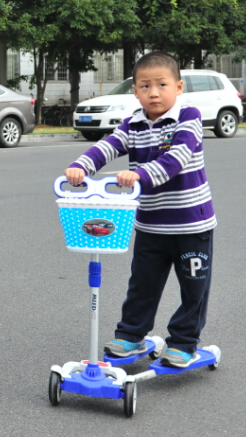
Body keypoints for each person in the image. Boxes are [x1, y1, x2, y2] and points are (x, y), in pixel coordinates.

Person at [65, 52, 216, 368]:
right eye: (145, 86)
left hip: (191, 224)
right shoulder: (133, 123)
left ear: (178, 87)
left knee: (194, 288)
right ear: (135, 91)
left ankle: (184, 342)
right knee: (142, 285)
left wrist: (140, 175)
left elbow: (176, 160)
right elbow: (108, 146)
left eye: (162, 85)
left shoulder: (188, 117)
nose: (154, 93)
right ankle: (131, 335)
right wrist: (81, 166)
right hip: (150, 224)